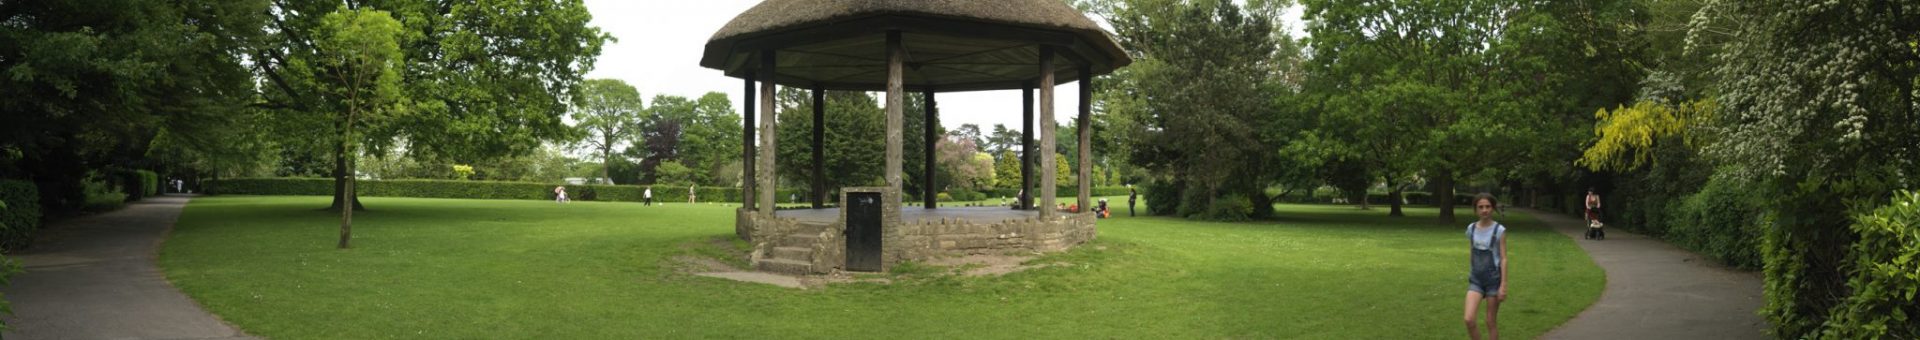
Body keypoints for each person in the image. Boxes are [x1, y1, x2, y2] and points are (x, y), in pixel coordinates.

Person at [1463, 193, 1508, 340]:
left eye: (1488, 206)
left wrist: (1503, 285)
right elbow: (1471, 251)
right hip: (1476, 279)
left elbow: (1503, 258)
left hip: (1493, 280)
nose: (1484, 210)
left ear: (1492, 208)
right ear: (1475, 209)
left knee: (1490, 321)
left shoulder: (1499, 230)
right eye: (1480, 207)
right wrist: (1472, 271)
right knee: (1469, 319)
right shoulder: (1471, 229)